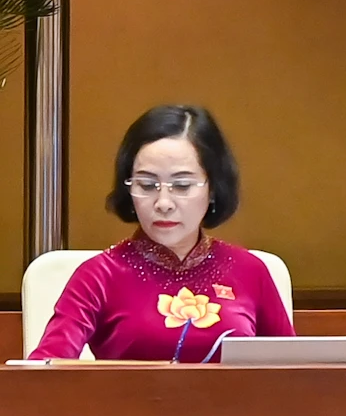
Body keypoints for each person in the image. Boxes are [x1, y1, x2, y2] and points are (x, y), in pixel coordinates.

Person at [30, 105, 294, 360]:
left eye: (181, 185)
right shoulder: (99, 276)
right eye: (147, 185)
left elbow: (294, 373)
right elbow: (44, 371)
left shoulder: (250, 271)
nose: (163, 203)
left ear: (212, 189)